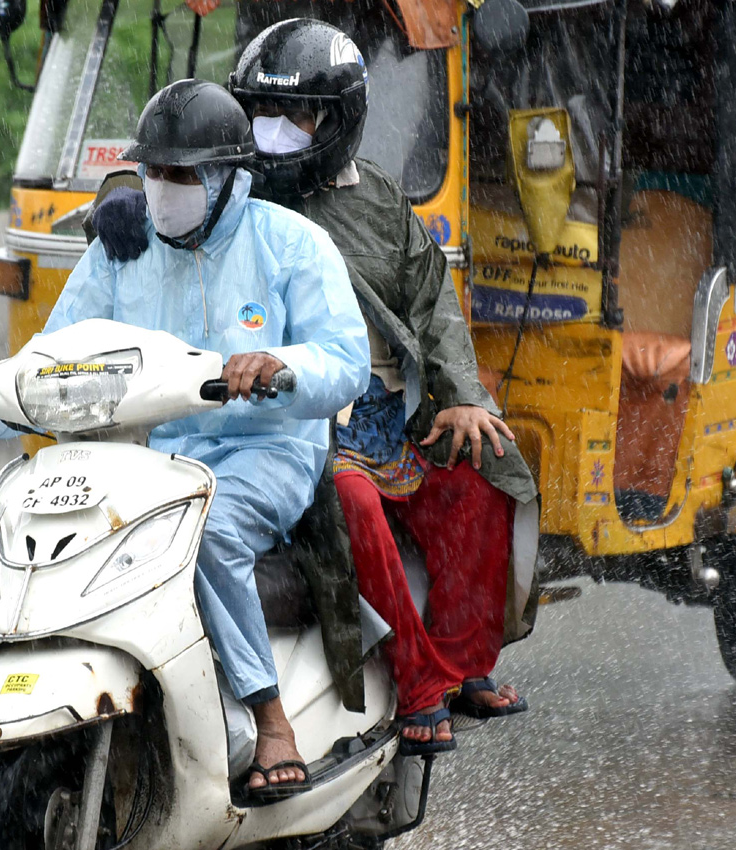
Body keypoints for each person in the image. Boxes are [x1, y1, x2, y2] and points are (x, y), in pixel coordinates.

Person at [93, 20, 541, 755]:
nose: (272, 133)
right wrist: (113, 205)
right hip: (289, 417)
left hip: (388, 413)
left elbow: (431, 298)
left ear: (336, 120)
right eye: (260, 115)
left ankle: (465, 663)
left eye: (294, 117)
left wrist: (462, 393)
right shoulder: (229, 191)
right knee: (351, 502)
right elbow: (162, 183)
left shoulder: (379, 201)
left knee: (489, 471)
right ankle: (418, 682)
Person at [0, 79, 370, 799]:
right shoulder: (122, 246)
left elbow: (346, 361)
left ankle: (271, 720)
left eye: (182, 176)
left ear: (228, 175)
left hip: (264, 452)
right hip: (145, 460)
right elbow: (60, 353)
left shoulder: (293, 244)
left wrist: (280, 365)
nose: (162, 189)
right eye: (153, 172)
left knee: (206, 535)